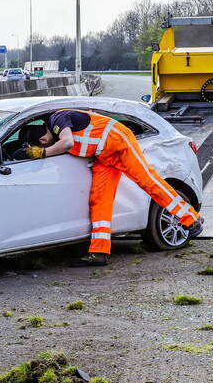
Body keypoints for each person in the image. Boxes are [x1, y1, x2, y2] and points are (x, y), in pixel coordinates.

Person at [23, 109, 202, 266]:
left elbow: (68, 142)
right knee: (99, 201)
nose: (45, 146)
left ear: (42, 138)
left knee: (149, 182)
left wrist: (44, 153)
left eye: (43, 144)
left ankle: (191, 219)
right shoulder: (58, 125)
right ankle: (99, 253)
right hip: (103, 156)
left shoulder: (58, 119)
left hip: (119, 142)